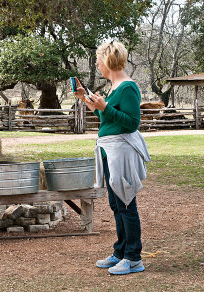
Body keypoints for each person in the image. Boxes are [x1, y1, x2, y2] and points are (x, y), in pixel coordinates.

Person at [73, 41, 151, 275]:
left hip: (122, 153)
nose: (97, 65)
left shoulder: (128, 88)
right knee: (116, 204)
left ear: (107, 61)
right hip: (110, 151)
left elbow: (132, 123)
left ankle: (133, 257)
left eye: (98, 61)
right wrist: (85, 99)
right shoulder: (114, 87)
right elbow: (106, 115)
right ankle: (120, 251)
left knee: (126, 203)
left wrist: (105, 107)